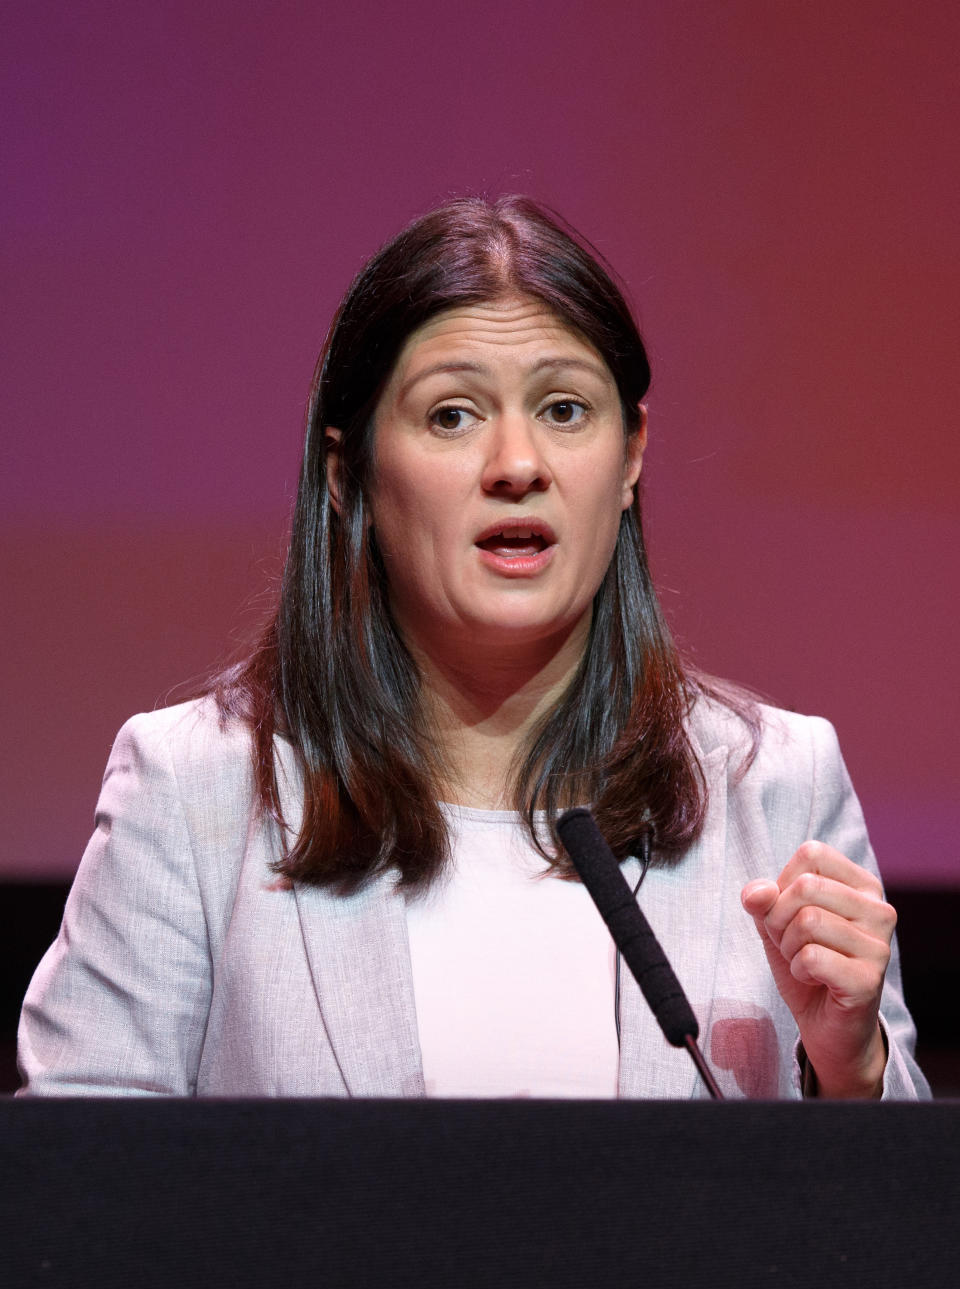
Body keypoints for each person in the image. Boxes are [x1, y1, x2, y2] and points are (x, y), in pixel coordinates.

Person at [18, 197, 929, 1100]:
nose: (517, 463)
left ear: (632, 455)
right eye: (452, 415)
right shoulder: (194, 790)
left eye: (565, 409)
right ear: (348, 475)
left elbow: (896, 1222)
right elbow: (76, 1192)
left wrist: (851, 1072)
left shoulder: (774, 783)